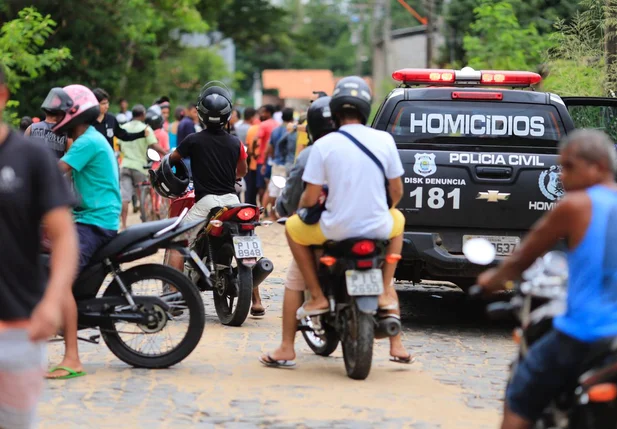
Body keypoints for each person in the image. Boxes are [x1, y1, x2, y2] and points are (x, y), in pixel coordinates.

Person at [475, 129, 617, 429]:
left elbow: (521, 258)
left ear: (599, 167)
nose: (562, 177)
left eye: (569, 167)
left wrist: (491, 281)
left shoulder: (575, 206)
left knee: (520, 396)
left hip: (583, 334)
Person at [283, 76, 412, 363]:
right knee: (399, 221)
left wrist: (305, 210)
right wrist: (381, 209)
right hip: (378, 227)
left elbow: (309, 196)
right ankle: (387, 300)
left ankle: (315, 296)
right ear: (366, 108)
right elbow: (397, 191)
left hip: (335, 229)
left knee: (293, 229)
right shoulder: (385, 140)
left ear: (337, 111)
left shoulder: (323, 145)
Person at [0, 64, 78, 428]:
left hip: (17, 330)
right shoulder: (61, 137)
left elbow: (64, 236)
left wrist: (51, 301)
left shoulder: (31, 155)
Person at [166, 83, 250, 307]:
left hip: (206, 202)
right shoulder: (236, 142)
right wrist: (231, 175)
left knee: (177, 240)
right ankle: (257, 300)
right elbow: (242, 171)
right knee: (246, 242)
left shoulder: (193, 140)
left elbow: (171, 160)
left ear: (201, 114)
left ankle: (173, 296)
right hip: (233, 202)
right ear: (227, 116)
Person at [118, 105, 165, 229]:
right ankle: (147, 220)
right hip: (140, 166)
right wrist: (166, 153)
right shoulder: (145, 128)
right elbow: (154, 145)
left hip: (125, 165)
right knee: (145, 193)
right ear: (143, 114)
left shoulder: (123, 127)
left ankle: (123, 224)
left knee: (125, 196)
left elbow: (119, 146)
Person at [261, 107, 295, 220]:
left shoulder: (275, 130)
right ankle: (279, 213)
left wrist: (266, 162)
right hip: (289, 164)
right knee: (286, 190)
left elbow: (269, 148)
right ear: (292, 117)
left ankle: (265, 212)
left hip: (276, 163)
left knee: (272, 189)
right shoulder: (294, 131)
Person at [25, 89, 71, 159]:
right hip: (55, 169)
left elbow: (22, 153)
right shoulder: (66, 134)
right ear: (61, 113)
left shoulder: (31, 128)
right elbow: (70, 159)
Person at [255, 105, 278, 212]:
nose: (261, 114)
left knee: (261, 187)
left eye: (263, 112)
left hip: (262, 160)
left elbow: (256, 139)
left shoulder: (263, 125)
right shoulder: (277, 125)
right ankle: (271, 210)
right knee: (271, 187)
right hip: (274, 160)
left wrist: (253, 150)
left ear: (268, 113)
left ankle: (262, 210)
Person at [177, 103, 199, 176]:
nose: (196, 114)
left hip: (182, 157)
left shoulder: (183, 121)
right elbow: (192, 142)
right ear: (188, 111)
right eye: (194, 112)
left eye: (197, 112)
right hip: (187, 158)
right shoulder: (189, 123)